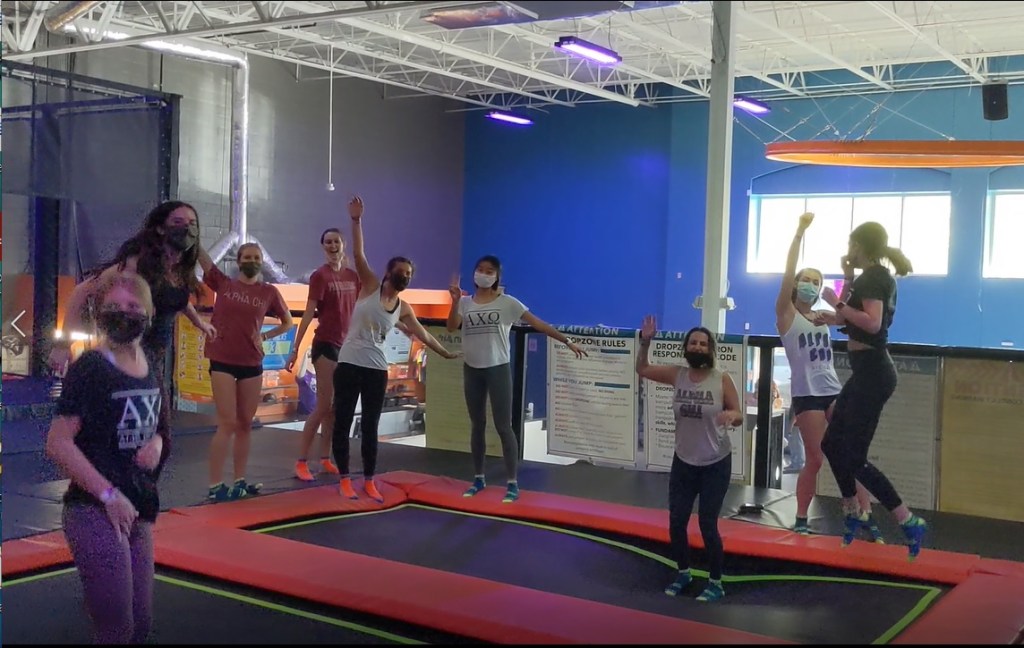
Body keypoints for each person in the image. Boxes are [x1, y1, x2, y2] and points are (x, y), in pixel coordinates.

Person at [49, 201, 215, 477]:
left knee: (157, 439)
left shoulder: (179, 268)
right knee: (122, 435)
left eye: (192, 224)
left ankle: (133, 491)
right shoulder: (138, 264)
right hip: (123, 359)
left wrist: (199, 323)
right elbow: (81, 291)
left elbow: (176, 298)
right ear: (160, 229)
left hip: (152, 362)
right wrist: (62, 345)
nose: (186, 229)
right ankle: (104, 489)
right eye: (178, 223)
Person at [45, 273, 165, 644]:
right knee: (116, 629)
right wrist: (108, 495)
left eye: (132, 306)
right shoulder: (92, 368)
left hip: (138, 505)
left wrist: (157, 444)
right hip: (94, 508)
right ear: (100, 315)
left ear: (148, 313)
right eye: (113, 307)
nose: (123, 313)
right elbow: (58, 443)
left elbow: (161, 427)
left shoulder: (150, 362)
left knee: (139, 625)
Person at [331, 196, 459, 502]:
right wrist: (356, 220)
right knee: (343, 421)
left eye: (410, 275)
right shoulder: (370, 286)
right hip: (349, 364)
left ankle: (369, 479)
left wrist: (444, 353)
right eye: (402, 272)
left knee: (370, 425)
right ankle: (344, 478)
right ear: (389, 273)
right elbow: (359, 254)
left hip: (376, 369)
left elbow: (423, 334)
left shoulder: (403, 307)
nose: (406, 277)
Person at [818, 221, 927, 559]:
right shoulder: (867, 277)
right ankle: (854, 510)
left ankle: (907, 519)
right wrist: (843, 285)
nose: (848, 249)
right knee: (831, 444)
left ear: (861, 245)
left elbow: (872, 322)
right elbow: (847, 319)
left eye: (851, 244)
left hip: (874, 373)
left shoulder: (875, 277)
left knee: (854, 457)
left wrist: (836, 303)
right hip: (865, 372)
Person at [775, 212, 881, 541]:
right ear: (797, 284)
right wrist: (799, 232)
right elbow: (787, 273)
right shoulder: (786, 314)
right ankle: (801, 515)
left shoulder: (823, 316)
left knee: (852, 455)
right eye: (806, 280)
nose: (811, 285)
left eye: (817, 282)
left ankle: (866, 514)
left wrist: (848, 277)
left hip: (833, 390)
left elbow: (846, 309)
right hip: (808, 395)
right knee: (816, 459)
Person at [447, 256, 586, 503]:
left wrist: (567, 341)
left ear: (496, 276)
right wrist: (455, 301)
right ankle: (478, 478)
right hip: (472, 369)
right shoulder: (466, 303)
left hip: (497, 369)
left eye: (489, 271)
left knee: (504, 426)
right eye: (480, 269)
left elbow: (538, 324)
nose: (483, 274)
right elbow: (451, 327)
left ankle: (512, 482)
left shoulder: (508, 303)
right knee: (477, 424)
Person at [636, 318, 742, 602]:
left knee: (707, 524)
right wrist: (646, 341)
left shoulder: (721, 379)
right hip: (684, 461)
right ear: (686, 348)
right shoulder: (677, 374)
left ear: (710, 349)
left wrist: (732, 416)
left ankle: (716, 582)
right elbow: (642, 369)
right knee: (676, 521)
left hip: (715, 463)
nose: (697, 347)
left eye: (703, 344)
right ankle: (683, 572)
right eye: (693, 342)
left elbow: (739, 414)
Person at [197, 242, 294, 501]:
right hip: (222, 359)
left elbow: (287, 322)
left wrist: (266, 336)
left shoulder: (269, 292)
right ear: (239, 261)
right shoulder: (224, 284)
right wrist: (192, 234)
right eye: (247, 257)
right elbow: (204, 259)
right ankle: (215, 485)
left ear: (262, 262)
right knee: (227, 422)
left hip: (251, 362)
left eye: (256, 257)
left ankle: (239, 481)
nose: (252, 261)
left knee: (245, 424)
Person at [285, 226, 361, 482]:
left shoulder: (353, 276)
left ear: (343, 244)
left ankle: (325, 458)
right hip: (326, 345)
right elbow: (308, 314)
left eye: (336, 241)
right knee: (323, 405)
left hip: (347, 347)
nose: (332, 246)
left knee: (335, 408)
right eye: (328, 242)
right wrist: (295, 349)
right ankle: (301, 461)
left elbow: (361, 309)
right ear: (323, 246)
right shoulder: (320, 276)